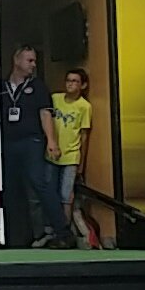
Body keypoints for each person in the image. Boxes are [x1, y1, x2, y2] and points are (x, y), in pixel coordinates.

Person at [0, 45, 75, 249]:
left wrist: (51, 141)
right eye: (29, 60)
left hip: (31, 142)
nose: (33, 65)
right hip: (8, 143)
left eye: (34, 61)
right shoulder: (0, 87)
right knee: (10, 189)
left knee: (40, 184)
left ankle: (63, 233)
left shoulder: (38, 87)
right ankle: (15, 238)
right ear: (16, 60)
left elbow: (45, 114)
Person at [49, 68, 92, 222]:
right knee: (49, 192)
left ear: (83, 85)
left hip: (71, 156)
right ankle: (50, 227)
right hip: (51, 154)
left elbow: (84, 135)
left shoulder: (84, 106)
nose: (70, 84)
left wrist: (81, 163)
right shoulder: (55, 99)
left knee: (66, 195)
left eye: (75, 81)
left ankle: (65, 228)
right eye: (68, 80)